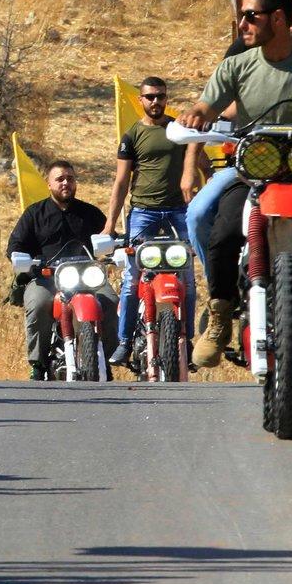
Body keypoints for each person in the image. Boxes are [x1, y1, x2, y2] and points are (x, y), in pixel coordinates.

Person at [177, 0, 292, 369]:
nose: (242, 23)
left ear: (277, 18)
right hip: (253, 172)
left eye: (250, 15)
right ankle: (220, 313)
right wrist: (196, 115)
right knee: (222, 230)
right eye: (241, 15)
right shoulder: (237, 65)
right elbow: (207, 105)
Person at [102, 76, 200, 368]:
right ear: (141, 100)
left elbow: (201, 166)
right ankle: (124, 342)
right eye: (150, 97)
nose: (156, 102)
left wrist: (199, 204)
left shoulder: (179, 130)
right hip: (143, 211)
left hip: (179, 211)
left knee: (189, 280)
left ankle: (188, 339)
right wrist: (109, 225)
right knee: (132, 281)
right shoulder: (132, 135)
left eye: (161, 96)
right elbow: (121, 182)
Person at [7, 160, 118, 380]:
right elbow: (14, 246)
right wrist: (24, 260)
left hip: (87, 277)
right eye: (59, 179)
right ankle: (38, 363)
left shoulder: (90, 213)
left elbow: (109, 238)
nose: (65, 183)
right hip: (47, 277)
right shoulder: (34, 213)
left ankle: (104, 358)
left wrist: (117, 249)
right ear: (49, 184)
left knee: (111, 302)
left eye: (70, 178)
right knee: (38, 304)